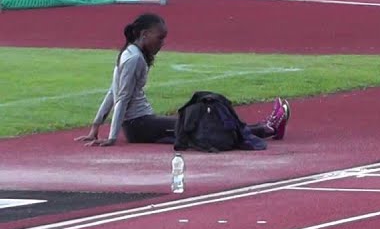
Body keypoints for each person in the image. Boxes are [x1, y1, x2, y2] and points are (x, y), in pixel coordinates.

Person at [77, 13, 290, 147]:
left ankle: (264, 126)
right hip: (139, 125)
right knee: (203, 128)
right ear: (144, 34)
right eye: (159, 38)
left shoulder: (128, 54)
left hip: (141, 124)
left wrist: (96, 126)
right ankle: (267, 128)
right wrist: (112, 137)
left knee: (201, 125)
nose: (163, 43)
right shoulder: (134, 60)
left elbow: (112, 92)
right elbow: (120, 97)